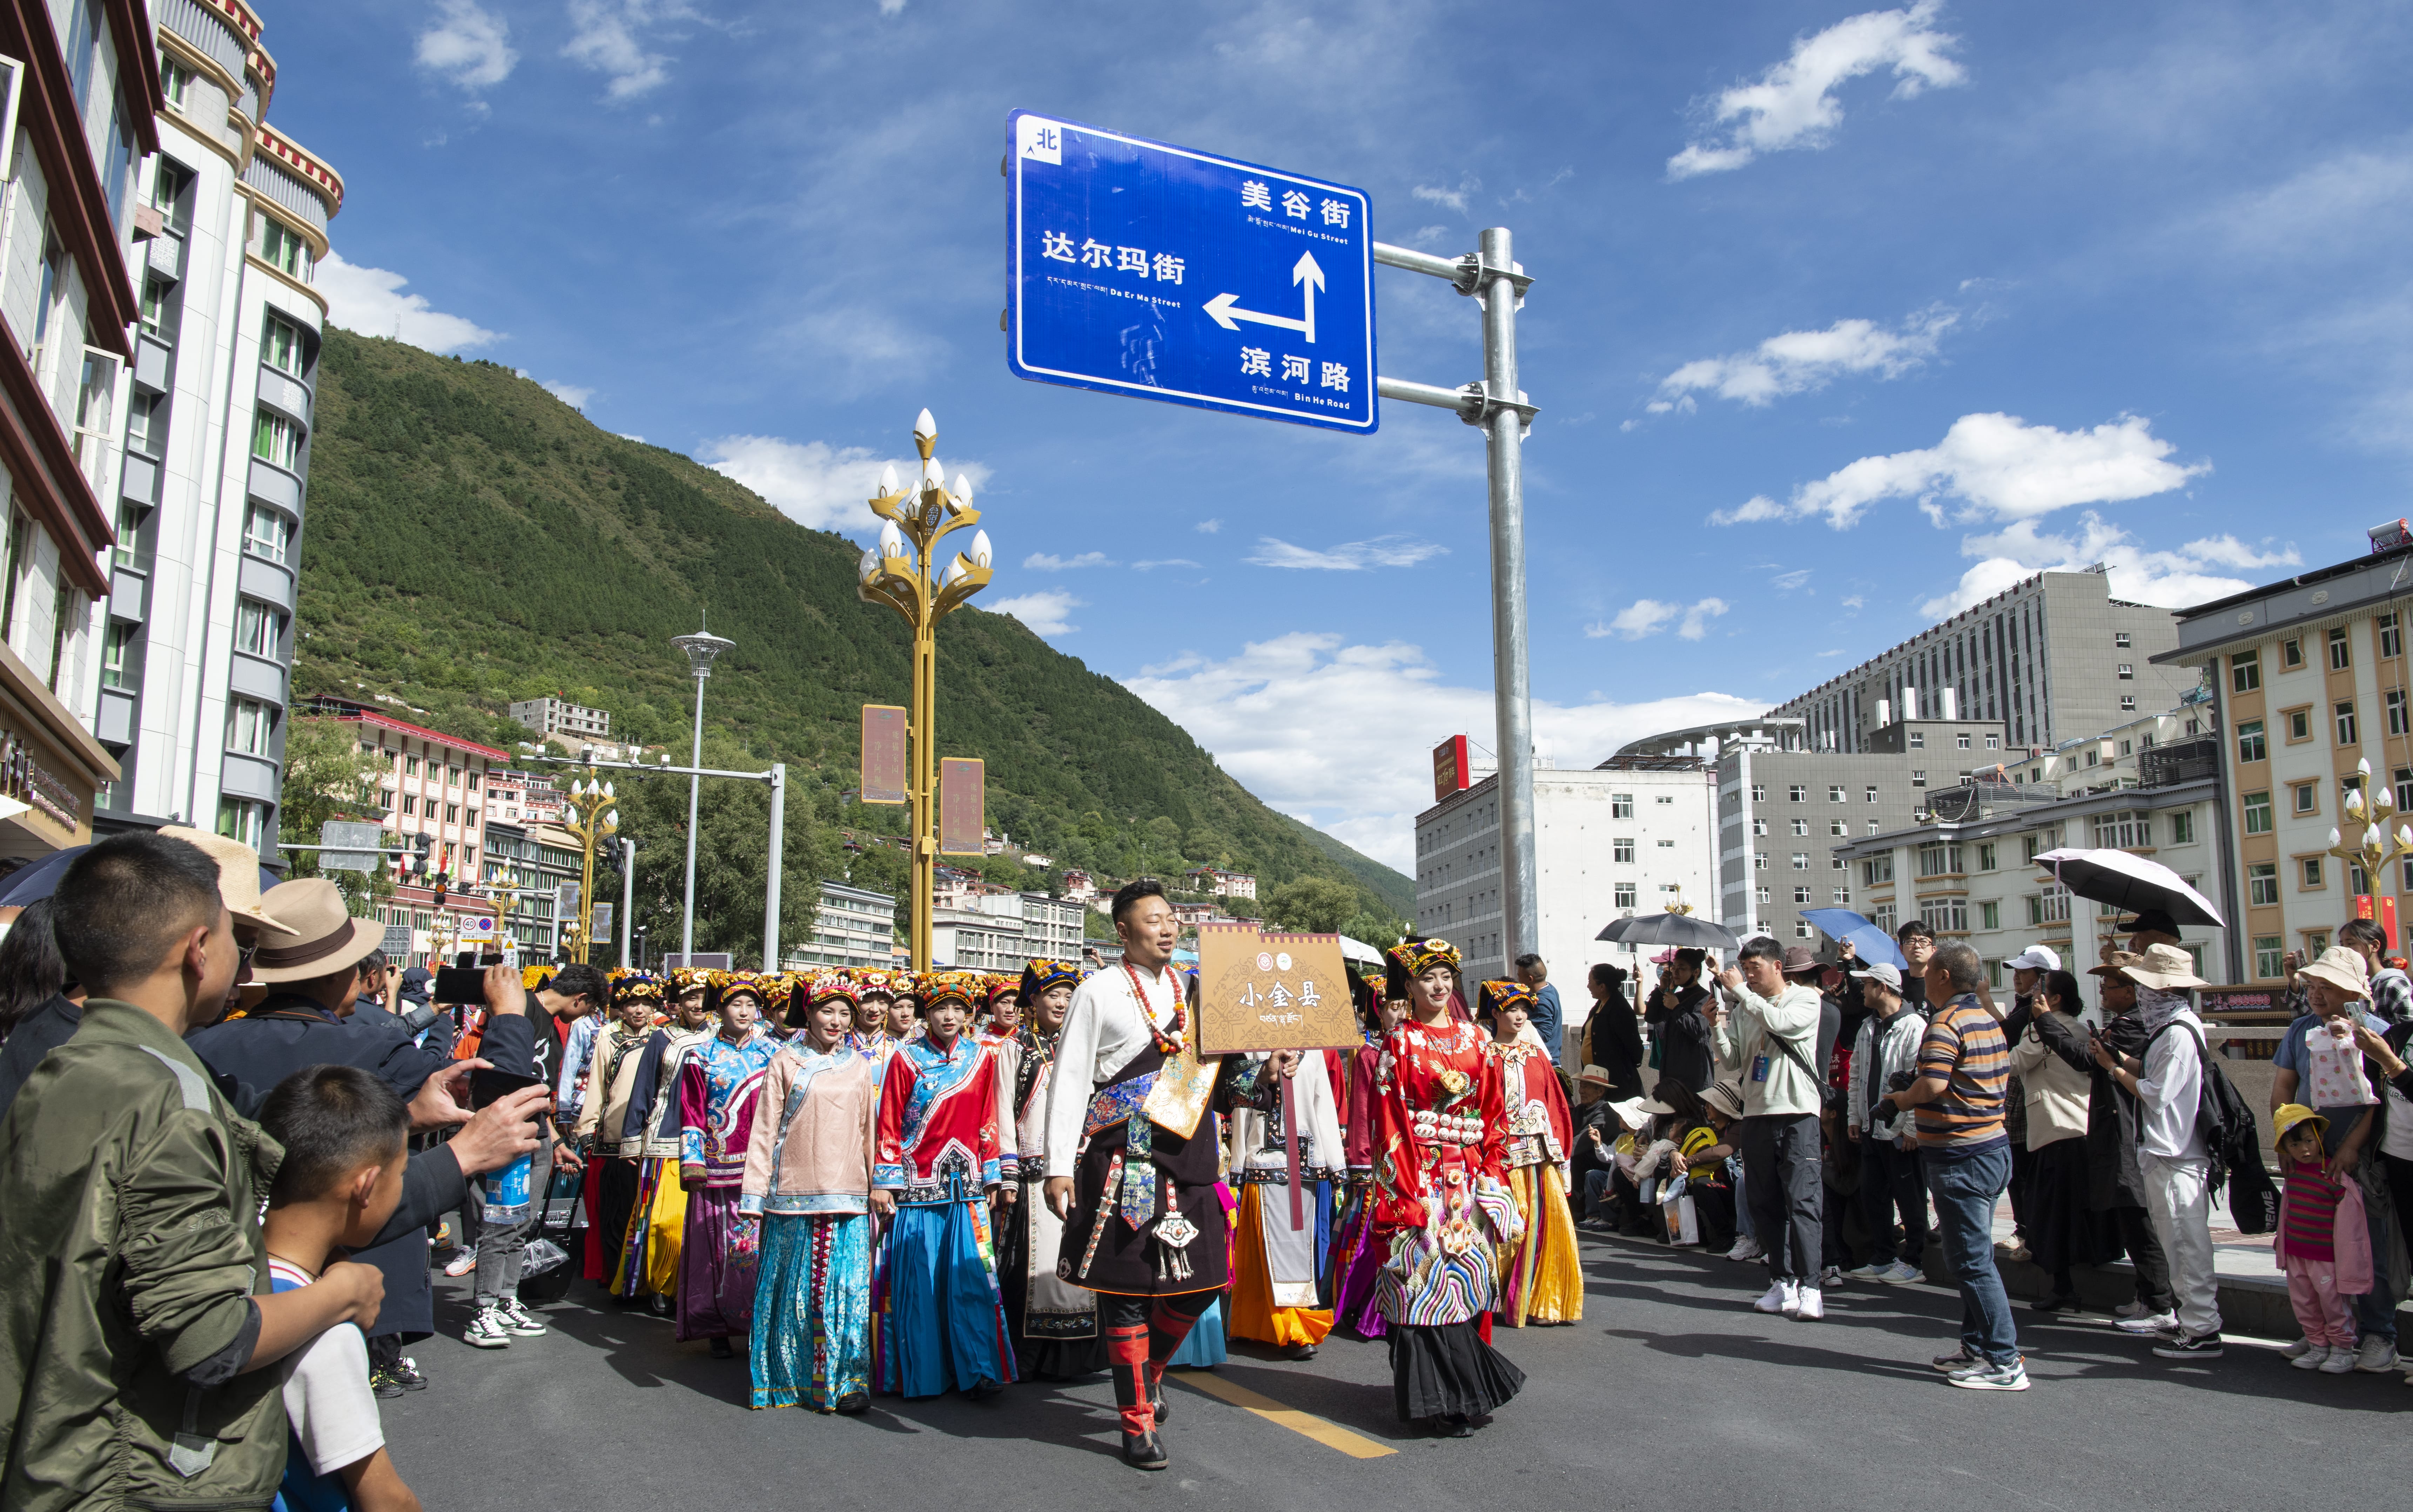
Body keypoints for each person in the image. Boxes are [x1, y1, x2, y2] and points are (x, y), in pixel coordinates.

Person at [0, 834, 386, 1509]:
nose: (246, 960)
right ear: (198, 948)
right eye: (240, 938)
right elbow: (210, 1337)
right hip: (126, 1479)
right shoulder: (168, 1102)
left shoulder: (62, 1065)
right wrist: (342, 1294)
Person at [1042, 879, 1282, 1471]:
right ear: (1123, 930)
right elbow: (1070, 1079)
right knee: (1126, 1298)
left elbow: (1228, 1081)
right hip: (1124, 1167)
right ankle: (1137, 1425)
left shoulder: (1199, 991)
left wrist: (1266, 1073)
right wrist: (1057, 1165)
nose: (1168, 927)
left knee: (1203, 1285)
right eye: (1154, 920)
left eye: (1172, 918)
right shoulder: (1098, 990)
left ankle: (1149, 1373)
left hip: (1193, 1163)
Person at [1368, 938, 1525, 1437]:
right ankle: (1436, 1400)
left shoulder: (1478, 1039)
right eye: (1427, 978)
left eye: (1445, 977)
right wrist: (1403, 1195)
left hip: (1470, 1181)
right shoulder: (1399, 1043)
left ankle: (1459, 1394)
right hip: (1420, 1180)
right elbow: (1388, 1123)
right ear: (1409, 986)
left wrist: (1494, 1176)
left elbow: (1496, 1113)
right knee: (1423, 1286)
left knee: (1466, 1286)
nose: (1438, 986)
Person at [256, 1064, 424, 1512]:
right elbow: (386, 1501)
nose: (401, 1186)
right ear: (366, 1187)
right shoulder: (322, 1325)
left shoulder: (221, 1281)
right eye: (401, 1174)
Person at [1882, 940, 2023, 1390]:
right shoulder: (1987, 1019)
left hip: (1961, 1155)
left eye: (1927, 970)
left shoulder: (1944, 1022)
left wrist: (1899, 1099)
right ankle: (1976, 1346)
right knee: (1976, 1255)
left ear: (1943, 976)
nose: (1920, 975)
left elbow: (1933, 1085)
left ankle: (2004, 1361)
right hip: (1992, 1147)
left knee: (1970, 1260)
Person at [873, 970, 1016, 1399]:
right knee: (921, 1281)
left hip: (966, 1184)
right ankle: (926, 1373)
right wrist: (885, 1181)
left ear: (969, 1014)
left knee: (971, 1279)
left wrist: (992, 1173)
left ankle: (979, 1369)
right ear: (927, 1014)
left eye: (957, 1008)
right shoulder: (905, 1058)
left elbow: (989, 1118)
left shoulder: (981, 1057)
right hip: (917, 1184)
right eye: (940, 1009)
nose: (949, 1016)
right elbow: (889, 1122)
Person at [742, 973, 880, 1413]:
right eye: (827, 1011)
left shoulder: (859, 1066)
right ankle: (788, 1379)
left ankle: (848, 1382)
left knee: (847, 1291)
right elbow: (765, 1130)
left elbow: (868, 1131)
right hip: (792, 1193)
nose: (836, 1021)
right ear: (809, 1014)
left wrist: (878, 1183)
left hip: (850, 1193)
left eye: (844, 1013)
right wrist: (754, 1194)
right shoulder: (784, 1061)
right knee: (794, 1292)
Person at [2088, 944, 2223, 1360]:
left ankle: (2202, 1330)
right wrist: (2118, 1059)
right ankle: (2193, 1322)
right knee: (2177, 1244)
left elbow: (2156, 1092)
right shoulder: (2172, 1028)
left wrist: (2113, 1069)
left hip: (2175, 1154)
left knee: (2185, 1246)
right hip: (2169, 1151)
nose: (2141, 994)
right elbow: (2153, 1074)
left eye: (2146, 987)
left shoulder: (2177, 1032)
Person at [2268, 946, 2399, 1373]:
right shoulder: (2300, 1029)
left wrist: (2352, 1146)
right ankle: (2322, 1333)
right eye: (2312, 985)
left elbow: (2383, 1100)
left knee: (2366, 1247)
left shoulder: (2377, 1032)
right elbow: (2283, 1088)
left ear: (2354, 991)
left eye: (2327, 986)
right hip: (2309, 1156)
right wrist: (2286, 1140)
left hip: (2362, 1158)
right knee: (2315, 1249)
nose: (2316, 994)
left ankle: (2380, 1334)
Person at [993, 959, 1104, 1380]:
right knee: (1035, 1265)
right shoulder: (1015, 1048)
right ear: (1033, 1001)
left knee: (1081, 1257)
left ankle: (1080, 1354)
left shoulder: (1090, 1046)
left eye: (1068, 996)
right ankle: (1032, 1356)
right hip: (1034, 1173)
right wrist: (1007, 1171)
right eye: (1052, 995)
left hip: (1083, 1166)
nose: (1061, 1003)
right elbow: (1003, 1111)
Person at [1714, 937, 1827, 1319]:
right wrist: (1716, 1025)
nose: (1748, 976)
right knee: (1764, 1202)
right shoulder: (1744, 1008)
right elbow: (1732, 1061)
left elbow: (1782, 1024)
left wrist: (1743, 995)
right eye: (1745, 969)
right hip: (1756, 1114)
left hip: (1797, 1112)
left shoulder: (1805, 998)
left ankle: (1811, 1286)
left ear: (1777, 966)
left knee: (1803, 1201)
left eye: (1755, 968)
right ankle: (1782, 1281)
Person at [678, 972, 781, 1357]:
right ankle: (716, 1326)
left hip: (765, 1167)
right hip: (717, 1167)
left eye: (751, 1005)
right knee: (717, 1252)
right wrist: (692, 1161)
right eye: (736, 1004)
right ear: (720, 1009)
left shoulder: (774, 1053)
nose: (744, 1011)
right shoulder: (700, 1055)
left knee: (761, 1250)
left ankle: (762, 1325)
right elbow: (691, 1111)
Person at [2083, 956, 2179, 1333]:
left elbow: (2149, 1085)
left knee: (2141, 1221)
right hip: (2127, 1132)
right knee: (2133, 1219)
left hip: (2136, 1134)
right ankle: (2149, 1296)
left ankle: (2160, 1303)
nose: (2103, 993)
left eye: (2109, 986)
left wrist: (2109, 1060)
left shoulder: (2149, 1027)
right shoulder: (2135, 1025)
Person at [1479, 980, 1582, 1326]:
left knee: (1546, 1226)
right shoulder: (1484, 1056)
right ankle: (1494, 1296)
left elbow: (1556, 1106)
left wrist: (1561, 1152)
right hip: (1500, 1155)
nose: (1520, 1015)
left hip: (1539, 1155)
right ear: (1496, 1013)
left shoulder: (1538, 1056)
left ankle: (1542, 1300)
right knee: (1505, 1225)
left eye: (1524, 1009)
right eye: (1512, 1009)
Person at [572, 974, 675, 1309]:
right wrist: (587, 1128)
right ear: (622, 1007)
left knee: (648, 1216)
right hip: (615, 1138)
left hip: (652, 1138)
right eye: (632, 1004)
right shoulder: (608, 1038)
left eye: (646, 1004)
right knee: (617, 1215)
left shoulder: (666, 1039)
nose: (639, 1010)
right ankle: (622, 1283)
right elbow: (598, 1087)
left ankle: (650, 1281)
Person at [2009, 968, 2108, 1312]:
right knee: (2067, 1212)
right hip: (2077, 1129)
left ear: (2054, 999)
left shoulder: (2041, 1030)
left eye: (2040, 987)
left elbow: (2013, 1062)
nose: (2033, 991)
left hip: (2054, 1129)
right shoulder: (2080, 1028)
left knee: (2046, 1214)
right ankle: (2068, 1285)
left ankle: (2063, 1287)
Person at [1838, 961, 1927, 1285]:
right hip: (1872, 1126)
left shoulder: (1914, 1026)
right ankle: (1883, 1255)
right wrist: (1855, 1118)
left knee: (1910, 1197)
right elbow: (1857, 1075)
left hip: (1901, 1129)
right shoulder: (1868, 1026)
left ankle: (1914, 1260)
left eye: (1867, 984)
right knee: (1874, 1195)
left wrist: (1912, 1127)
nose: (1862, 990)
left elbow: (1919, 1080)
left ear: (1884, 988)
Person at [1330, 977, 1405, 1339]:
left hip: (1410, 1153)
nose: (1401, 1013)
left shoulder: (1410, 1046)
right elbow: (1361, 1109)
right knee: (1372, 1237)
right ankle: (1367, 1306)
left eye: (1404, 1006)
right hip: (1378, 1155)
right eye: (1393, 1007)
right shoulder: (1369, 1053)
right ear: (1377, 1010)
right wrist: (1362, 1159)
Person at [2270, 1104, 2371, 1374]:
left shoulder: (2334, 1176)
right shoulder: (2293, 1175)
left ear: (2320, 1138)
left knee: (2333, 1304)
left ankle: (2342, 1350)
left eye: (2308, 1141)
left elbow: (2351, 1223)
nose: (2304, 1150)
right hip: (2296, 1254)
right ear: (2285, 1149)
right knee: (2304, 1303)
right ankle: (2317, 1346)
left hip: (2326, 1258)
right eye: (2294, 1145)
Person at [1645, 949, 1715, 1094]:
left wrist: (1676, 1008)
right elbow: (1651, 1017)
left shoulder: (1705, 998)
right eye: (1674, 968)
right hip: (1671, 1074)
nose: (1675, 972)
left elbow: (1697, 1030)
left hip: (1695, 1077)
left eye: (1681, 969)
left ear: (1696, 972)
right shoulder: (1676, 996)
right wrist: (1662, 989)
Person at [1582, 963, 1643, 1101]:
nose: (1588, 986)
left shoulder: (1620, 1009)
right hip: (1599, 1080)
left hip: (1616, 1083)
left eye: (1590, 982)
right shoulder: (1601, 1004)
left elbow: (1635, 1049)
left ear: (1602, 987)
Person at [2342, 917, 2411, 1026]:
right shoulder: (2350, 986)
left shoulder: (2394, 984)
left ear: (2374, 946)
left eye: (2350, 944)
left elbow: (2409, 1030)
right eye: (2342, 945)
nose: (2345, 950)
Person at [1513, 953, 1564, 1069]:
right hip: (1552, 1060)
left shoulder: (1540, 1002)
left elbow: (1544, 1035)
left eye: (1519, 977)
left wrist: (1518, 1028)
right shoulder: (1550, 988)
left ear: (1530, 979)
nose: (1518, 980)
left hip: (1546, 1063)